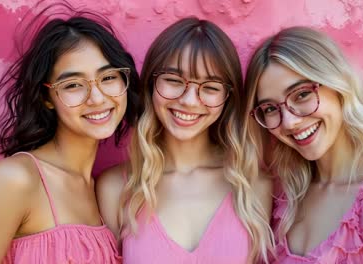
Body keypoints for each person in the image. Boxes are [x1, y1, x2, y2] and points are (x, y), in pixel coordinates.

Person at [0, 3, 140, 263]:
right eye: (73, 84)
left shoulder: (102, 192)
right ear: (47, 97)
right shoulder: (16, 180)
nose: (97, 97)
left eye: (108, 77)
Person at [97, 17, 274, 263]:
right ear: (151, 83)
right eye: (174, 80)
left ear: (227, 98)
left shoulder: (254, 186)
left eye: (210, 87)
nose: (190, 101)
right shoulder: (115, 188)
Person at [244, 26, 363, 263]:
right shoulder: (284, 202)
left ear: (338, 85)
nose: (289, 122)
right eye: (270, 108)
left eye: (301, 95)